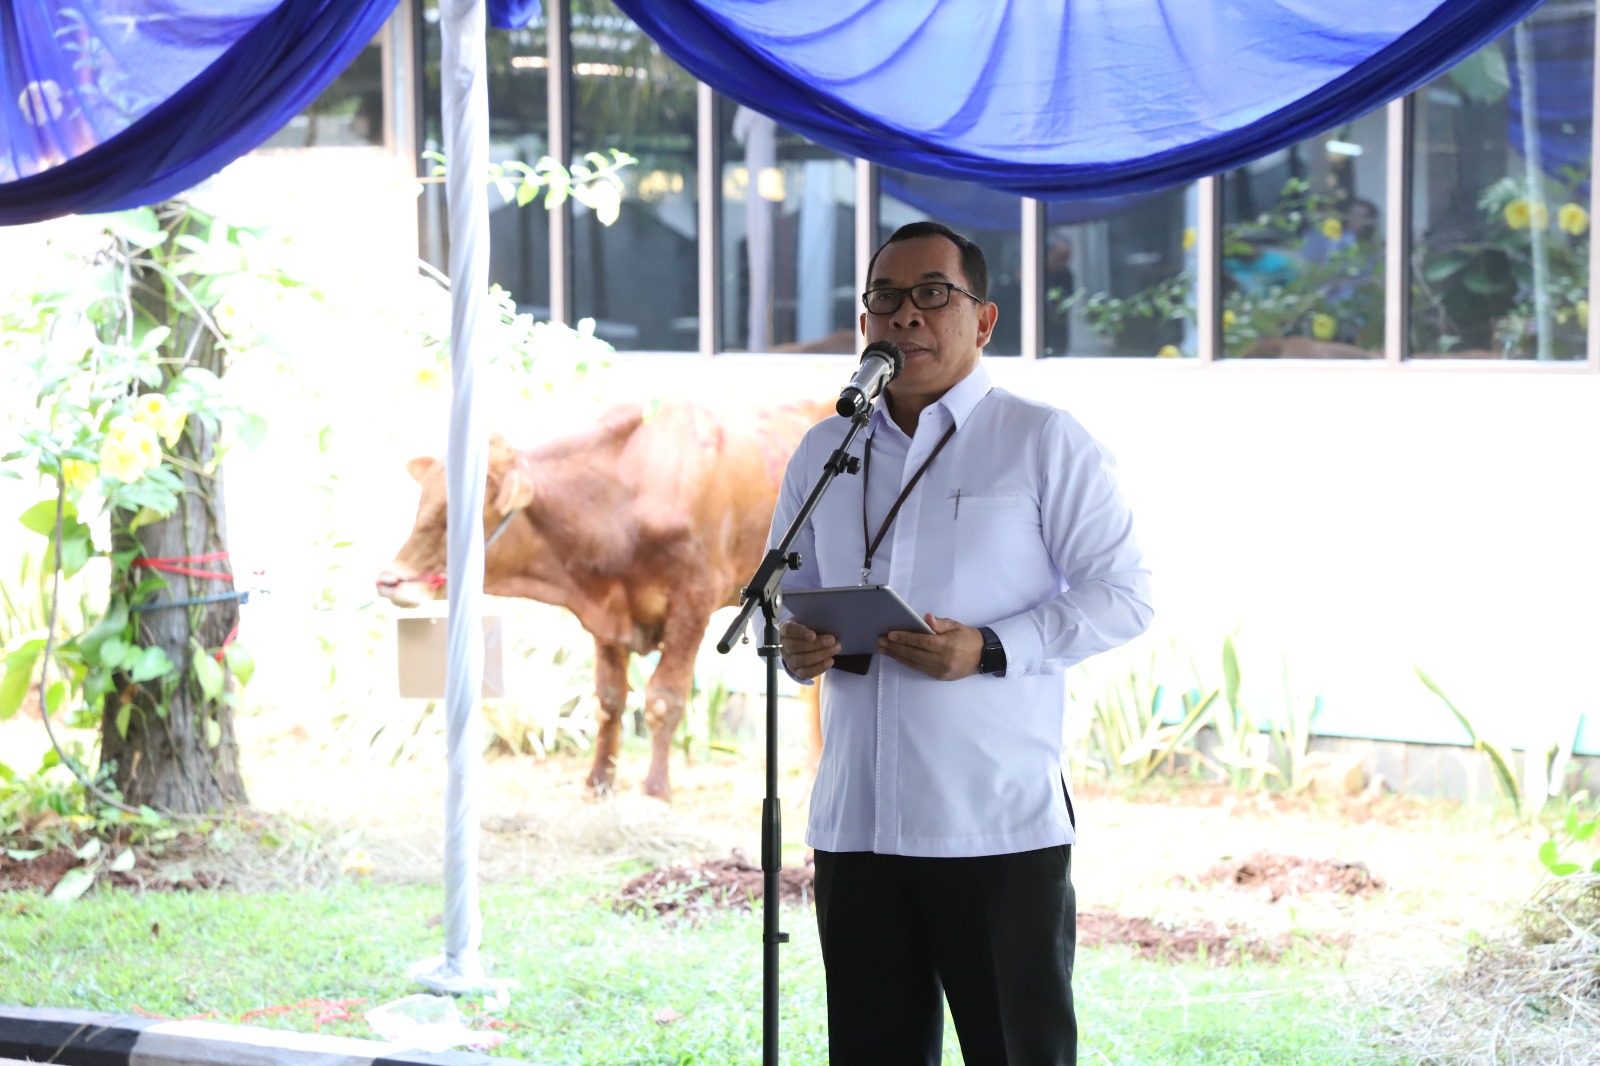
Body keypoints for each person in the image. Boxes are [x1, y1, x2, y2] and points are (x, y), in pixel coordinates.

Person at [769, 221, 1153, 1065]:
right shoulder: (825, 449)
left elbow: (1125, 596)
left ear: (982, 321)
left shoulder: (1043, 440)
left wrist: (986, 646)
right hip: (856, 824)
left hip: (993, 826)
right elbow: (777, 594)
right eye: (885, 298)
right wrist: (792, 641)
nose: (904, 316)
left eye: (931, 295)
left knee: (1016, 1051)